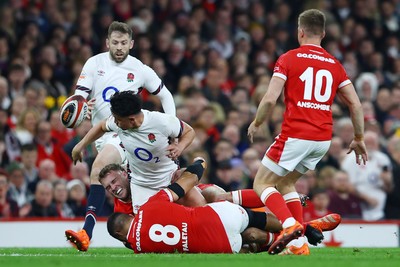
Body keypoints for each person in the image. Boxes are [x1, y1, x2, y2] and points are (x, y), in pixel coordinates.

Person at [247, 9, 368, 255]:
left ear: (300, 32)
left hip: (296, 135)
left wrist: (258, 122)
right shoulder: (335, 64)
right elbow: (355, 103)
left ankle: (290, 226)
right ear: (323, 34)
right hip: (322, 139)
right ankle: (298, 245)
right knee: (286, 182)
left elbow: (270, 98)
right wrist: (359, 138)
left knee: (262, 183)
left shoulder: (289, 58)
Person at [64, 21, 176, 251]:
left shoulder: (140, 68)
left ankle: (86, 233)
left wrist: (172, 126)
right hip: (102, 134)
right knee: (123, 186)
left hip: (125, 133)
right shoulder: (94, 63)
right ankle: (140, 232)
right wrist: (83, 106)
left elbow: (166, 96)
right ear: (107, 43)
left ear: (131, 44)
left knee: (98, 167)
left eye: (124, 43)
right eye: (115, 42)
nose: (119, 47)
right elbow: (78, 98)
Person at [66, 91, 203, 251]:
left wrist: (180, 146)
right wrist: (80, 145)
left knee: (199, 211)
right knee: (142, 236)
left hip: (169, 177)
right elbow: (102, 126)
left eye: (118, 120)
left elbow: (189, 132)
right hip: (141, 186)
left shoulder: (161, 122)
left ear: (131, 120)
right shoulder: (119, 122)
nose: (115, 123)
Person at [106, 158, 282, 253]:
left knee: (247, 235)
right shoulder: (149, 205)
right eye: (108, 187)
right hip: (218, 215)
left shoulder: (140, 250)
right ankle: (292, 225)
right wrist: (199, 163)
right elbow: (183, 184)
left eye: (113, 182)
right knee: (244, 214)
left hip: (219, 245)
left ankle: (272, 240)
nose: (113, 188)